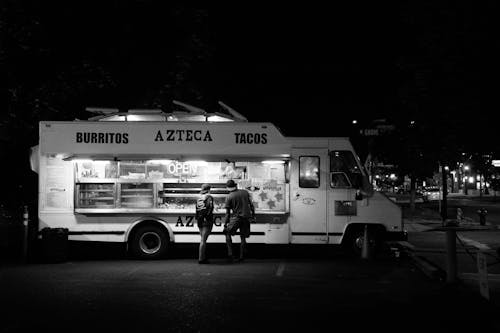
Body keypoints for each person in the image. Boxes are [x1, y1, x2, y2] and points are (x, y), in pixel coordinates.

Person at [223, 179, 255, 262]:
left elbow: (227, 213)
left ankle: (231, 255)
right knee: (243, 237)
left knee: (227, 233)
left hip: (236, 217)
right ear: (235, 185)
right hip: (246, 217)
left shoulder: (229, 196)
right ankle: (241, 256)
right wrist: (253, 216)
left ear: (227, 188)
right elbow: (251, 205)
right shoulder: (245, 192)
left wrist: (225, 224)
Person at [195, 183, 214, 264]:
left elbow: (196, 208)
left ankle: (202, 257)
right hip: (206, 220)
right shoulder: (209, 197)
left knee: (202, 239)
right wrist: (208, 217)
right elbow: (210, 207)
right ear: (209, 189)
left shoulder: (198, 197)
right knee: (203, 240)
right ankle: (201, 259)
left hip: (199, 220)